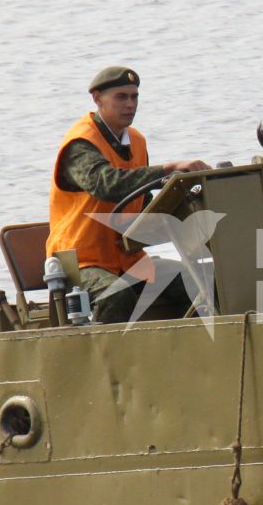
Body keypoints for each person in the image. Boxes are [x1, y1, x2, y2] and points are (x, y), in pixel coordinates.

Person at [48, 65, 209, 323]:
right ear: (97, 99)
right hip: (80, 263)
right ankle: (111, 362)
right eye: (121, 97)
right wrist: (168, 170)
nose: (130, 104)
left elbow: (141, 202)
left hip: (127, 259)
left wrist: (185, 205)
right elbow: (107, 184)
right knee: (116, 294)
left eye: (134, 97)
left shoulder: (137, 142)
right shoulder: (81, 143)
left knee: (195, 279)